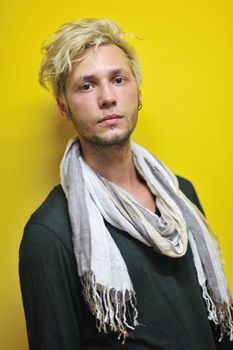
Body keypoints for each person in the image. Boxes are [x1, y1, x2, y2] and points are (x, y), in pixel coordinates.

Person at [19, 19, 233, 350]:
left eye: (118, 80)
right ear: (64, 107)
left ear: (139, 93)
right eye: (86, 86)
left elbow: (216, 327)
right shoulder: (50, 234)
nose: (107, 97)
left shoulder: (181, 195)